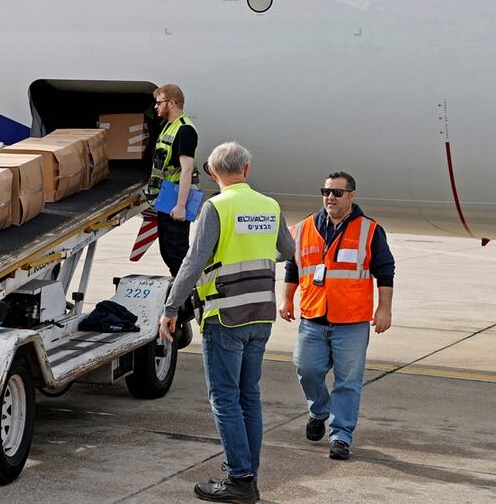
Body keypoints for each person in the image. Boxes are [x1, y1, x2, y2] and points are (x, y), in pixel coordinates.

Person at [159, 142, 294, 503]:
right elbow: (288, 251)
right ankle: (249, 474)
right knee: (249, 396)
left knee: (224, 398)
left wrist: (170, 308)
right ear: (247, 171)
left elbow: (192, 263)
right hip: (261, 314)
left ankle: (239, 478)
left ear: (215, 174)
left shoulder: (216, 207)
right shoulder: (270, 205)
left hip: (226, 316)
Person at [279, 171, 395, 461]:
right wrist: (286, 299)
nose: (330, 197)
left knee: (348, 381)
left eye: (337, 192)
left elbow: (385, 270)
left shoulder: (370, 230)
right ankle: (319, 411)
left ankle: (341, 435)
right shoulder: (304, 227)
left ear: (352, 196)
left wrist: (384, 308)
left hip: (352, 321)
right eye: (326, 191)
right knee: (307, 370)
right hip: (313, 316)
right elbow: (293, 266)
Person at [146, 84, 199, 277]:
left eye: (159, 103)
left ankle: (189, 301)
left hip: (177, 199)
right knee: (167, 251)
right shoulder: (169, 125)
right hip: (166, 198)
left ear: (172, 102)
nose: (156, 107)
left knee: (177, 253)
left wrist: (181, 206)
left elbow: (187, 170)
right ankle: (181, 295)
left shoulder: (185, 131)